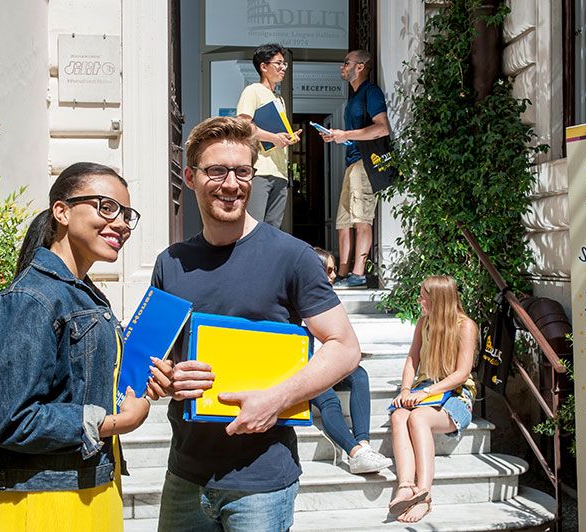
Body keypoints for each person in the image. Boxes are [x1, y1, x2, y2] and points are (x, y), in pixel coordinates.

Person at [146, 116, 360, 532]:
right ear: (190, 178)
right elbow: (154, 363)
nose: (231, 184)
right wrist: (167, 378)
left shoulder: (293, 257)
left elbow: (344, 347)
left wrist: (275, 400)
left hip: (262, 481)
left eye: (242, 172)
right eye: (216, 171)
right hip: (185, 477)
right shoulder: (169, 263)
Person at [0, 162, 152, 531]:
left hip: (91, 491)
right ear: (62, 212)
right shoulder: (30, 299)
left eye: (126, 214)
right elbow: (14, 421)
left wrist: (143, 385)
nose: (121, 224)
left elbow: (83, 386)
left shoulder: (84, 296)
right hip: (42, 504)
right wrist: (119, 422)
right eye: (106, 207)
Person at [387, 275, 478, 524]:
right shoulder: (423, 323)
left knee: (418, 418)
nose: (419, 301)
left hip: (456, 393)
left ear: (438, 300)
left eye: (423, 298)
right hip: (425, 388)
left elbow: (462, 374)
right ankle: (406, 486)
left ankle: (424, 496)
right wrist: (406, 390)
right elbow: (412, 360)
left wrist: (425, 393)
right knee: (399, 416)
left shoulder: (465, 326)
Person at [309, 248, 392, 474]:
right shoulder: (298, 300)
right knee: (330, 400)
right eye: (329, 270)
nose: (334, 276)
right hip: (306, 369)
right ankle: (355, 453)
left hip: (329, 363)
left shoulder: (331, 301)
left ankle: (364, 445)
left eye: (334, 270)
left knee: (359, 374)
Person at [319, 49, 391, 288]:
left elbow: (382, 128)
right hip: (352, 163)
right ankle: (341, 273)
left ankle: (358, 274)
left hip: (366, 163)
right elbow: (355, 135)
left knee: (361, 219)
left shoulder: (371, 92)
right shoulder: (353, 98)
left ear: (360, 67)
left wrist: (346, 134)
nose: (342, 67)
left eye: (346, 63)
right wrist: (338, 137)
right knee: (343, 222)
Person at [236, 43, 302, 229]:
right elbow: (243, 126)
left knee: (273, 228)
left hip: (280, 172)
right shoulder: (253, 90)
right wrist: (274, 138)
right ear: (263, 66)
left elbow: (277, 134)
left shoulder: (279, 99)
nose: (283, 68)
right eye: (278, 63)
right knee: (254, 226)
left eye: (284, 64)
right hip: (260, 170)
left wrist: (288, 138)